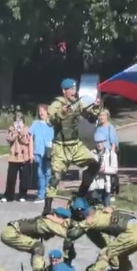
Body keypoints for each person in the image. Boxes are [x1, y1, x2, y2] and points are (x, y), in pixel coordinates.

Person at [44, 78, 103, 214]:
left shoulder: (78, 103)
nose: (73, 92)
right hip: (61, 147)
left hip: (75, 145)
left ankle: (80, 195)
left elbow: (91, 119)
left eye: (74, 89)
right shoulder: (57, 104)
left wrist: (95, 107)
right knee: (56, 177)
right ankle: (47, 208)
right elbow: (51, 121)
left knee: (95, 164)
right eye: (70, 89)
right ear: (64, 91)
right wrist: (62, 112)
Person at [68, 197, 137, 271]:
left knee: (105, 253)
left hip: (132, 233)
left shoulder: (93, 219)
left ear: (79, 212)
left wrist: (74, 224)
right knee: (120, 255)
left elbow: (73, 234)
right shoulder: (102, 212)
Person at [0, 208, 74, 271]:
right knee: (38, 247)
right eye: (63, 219)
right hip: (11, 233)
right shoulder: (48, 222)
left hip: (11, 231)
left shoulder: (46, 219)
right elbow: (68, 234)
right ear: (55, 216)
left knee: (36, 250)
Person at [4, 111, 33, 202]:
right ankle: (8, 195)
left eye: (20, 121)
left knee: (24, 178)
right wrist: (14, 133)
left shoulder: (26, 129)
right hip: (14, 156)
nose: (18, 123)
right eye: (16, 121)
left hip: (24, 156)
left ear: (23, 121)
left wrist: (20, 134)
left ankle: (23, 195)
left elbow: (26, 141)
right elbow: (9, 139)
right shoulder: (11, 128)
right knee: (11, 177)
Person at [30, 104, 55, 203]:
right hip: (38, 152)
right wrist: (31, 152)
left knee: (48, 173)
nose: (41, 113)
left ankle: (48, 194)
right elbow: (30, 138)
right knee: (40, 173)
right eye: (39, 111)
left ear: (47, 112)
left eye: (43, 111)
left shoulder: (52, 124)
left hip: (49, 152)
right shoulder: (35, 123)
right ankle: (41, 194)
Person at [94, 111, 120, 201]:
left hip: (108, 153)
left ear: (107, 117)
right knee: (100, 172)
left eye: (103, 116)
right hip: (100, 152)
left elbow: (113, 142)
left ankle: (111, 192)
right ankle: (100, 191)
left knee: (109, 173)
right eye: (100, 116)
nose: (101, 117)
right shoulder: (98, 127)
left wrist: (111, 154)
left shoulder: (110, 127)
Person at [90, 134, 118, 207]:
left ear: (104, 142)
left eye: (101, 142)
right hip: (94, 186)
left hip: (106, 186)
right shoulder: (91, 154)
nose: (99, 144)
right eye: (97, 142)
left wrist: (104, 169)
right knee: (94, 208)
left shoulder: (111, 154)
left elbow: (115, 169)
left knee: (106, 208)